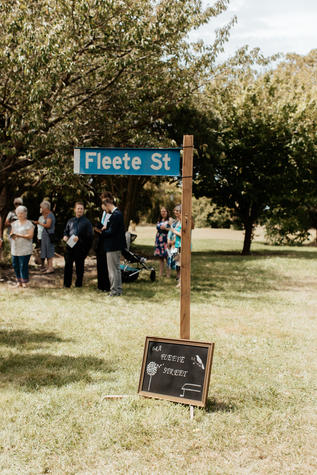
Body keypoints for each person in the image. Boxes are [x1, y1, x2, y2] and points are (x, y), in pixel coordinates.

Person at [63, 202, 93, 288]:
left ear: (83, 210)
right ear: (74, 209)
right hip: (70, 246)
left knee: (79, 267)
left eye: (81, 209)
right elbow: (66, 231)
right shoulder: (70, 221)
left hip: (81, 248)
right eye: (78, 208)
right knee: (68, 266)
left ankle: (78, 284)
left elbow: (90, 236)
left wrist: (80, 239)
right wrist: (65, 236)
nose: (80, 210)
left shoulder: (87, 222)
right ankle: (66, 284)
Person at [100, 196, 126, 296]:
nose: (106, 211)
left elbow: (112, 231)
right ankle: (118, 289)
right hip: (116, 245)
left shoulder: (115, 215)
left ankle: (114, 291)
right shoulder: (118, 214)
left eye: (105, 208)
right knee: (117, 268)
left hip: (113, 246)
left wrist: (102, 231)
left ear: (108, 205)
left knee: (112, 269)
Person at [10, 205, 34, 288]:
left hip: (25, 249)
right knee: (15, 265)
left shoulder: (29, 224)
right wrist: (12, 235)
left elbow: (30, 236)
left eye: (21, 213)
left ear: (25, 214)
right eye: (18, 213)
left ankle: (24, 282)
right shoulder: (14, 224)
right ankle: (18, 281)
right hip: (15, 248)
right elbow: (12, 233)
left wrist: (19, 235)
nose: (19, 215)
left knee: (23, 265)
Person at [94, 191, 113, 292]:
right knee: (100, 263)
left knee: (106, 264)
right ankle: (100, 285)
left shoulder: (112, 214)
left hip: (107, 240)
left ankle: (107, 286)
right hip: (101, 239)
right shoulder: (104, 213)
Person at [36, 200, 55, 273]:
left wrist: (39, 223)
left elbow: (48, 225)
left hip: (49, 236)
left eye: (42, 207)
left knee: (49, 251)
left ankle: (50, 268)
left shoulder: (50, 215)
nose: (41, 209)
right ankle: (47, 267)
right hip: (46, 236)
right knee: (46, 251)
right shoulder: (47, 215)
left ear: (45, 208)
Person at [154, 207, 170, 278]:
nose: (163, 213)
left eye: (164, 211)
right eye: (161, 211)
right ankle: (160, 274)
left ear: (167, 212)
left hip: (166, 239)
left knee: (167, 257)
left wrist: (166, 228)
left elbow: (173, 229)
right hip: (159, 240)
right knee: (160, 258)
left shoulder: (170, 220)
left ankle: (168, 274)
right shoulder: (159, 220)